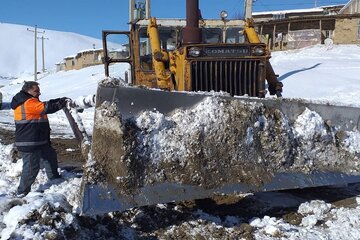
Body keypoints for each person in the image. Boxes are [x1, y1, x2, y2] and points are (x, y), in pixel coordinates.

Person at [10, 81, 69, 197]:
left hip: (38, 140)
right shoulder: (28, 102)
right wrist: (60, 103)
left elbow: (45, 104)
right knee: (31, 168)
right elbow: (46, 108)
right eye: (36, 91)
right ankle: (22, 193)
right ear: (28, 91)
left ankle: (54, 179)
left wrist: (58, 100)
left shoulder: (29, 100)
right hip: (30, 142)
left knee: (50, 156)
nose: (39, 93)